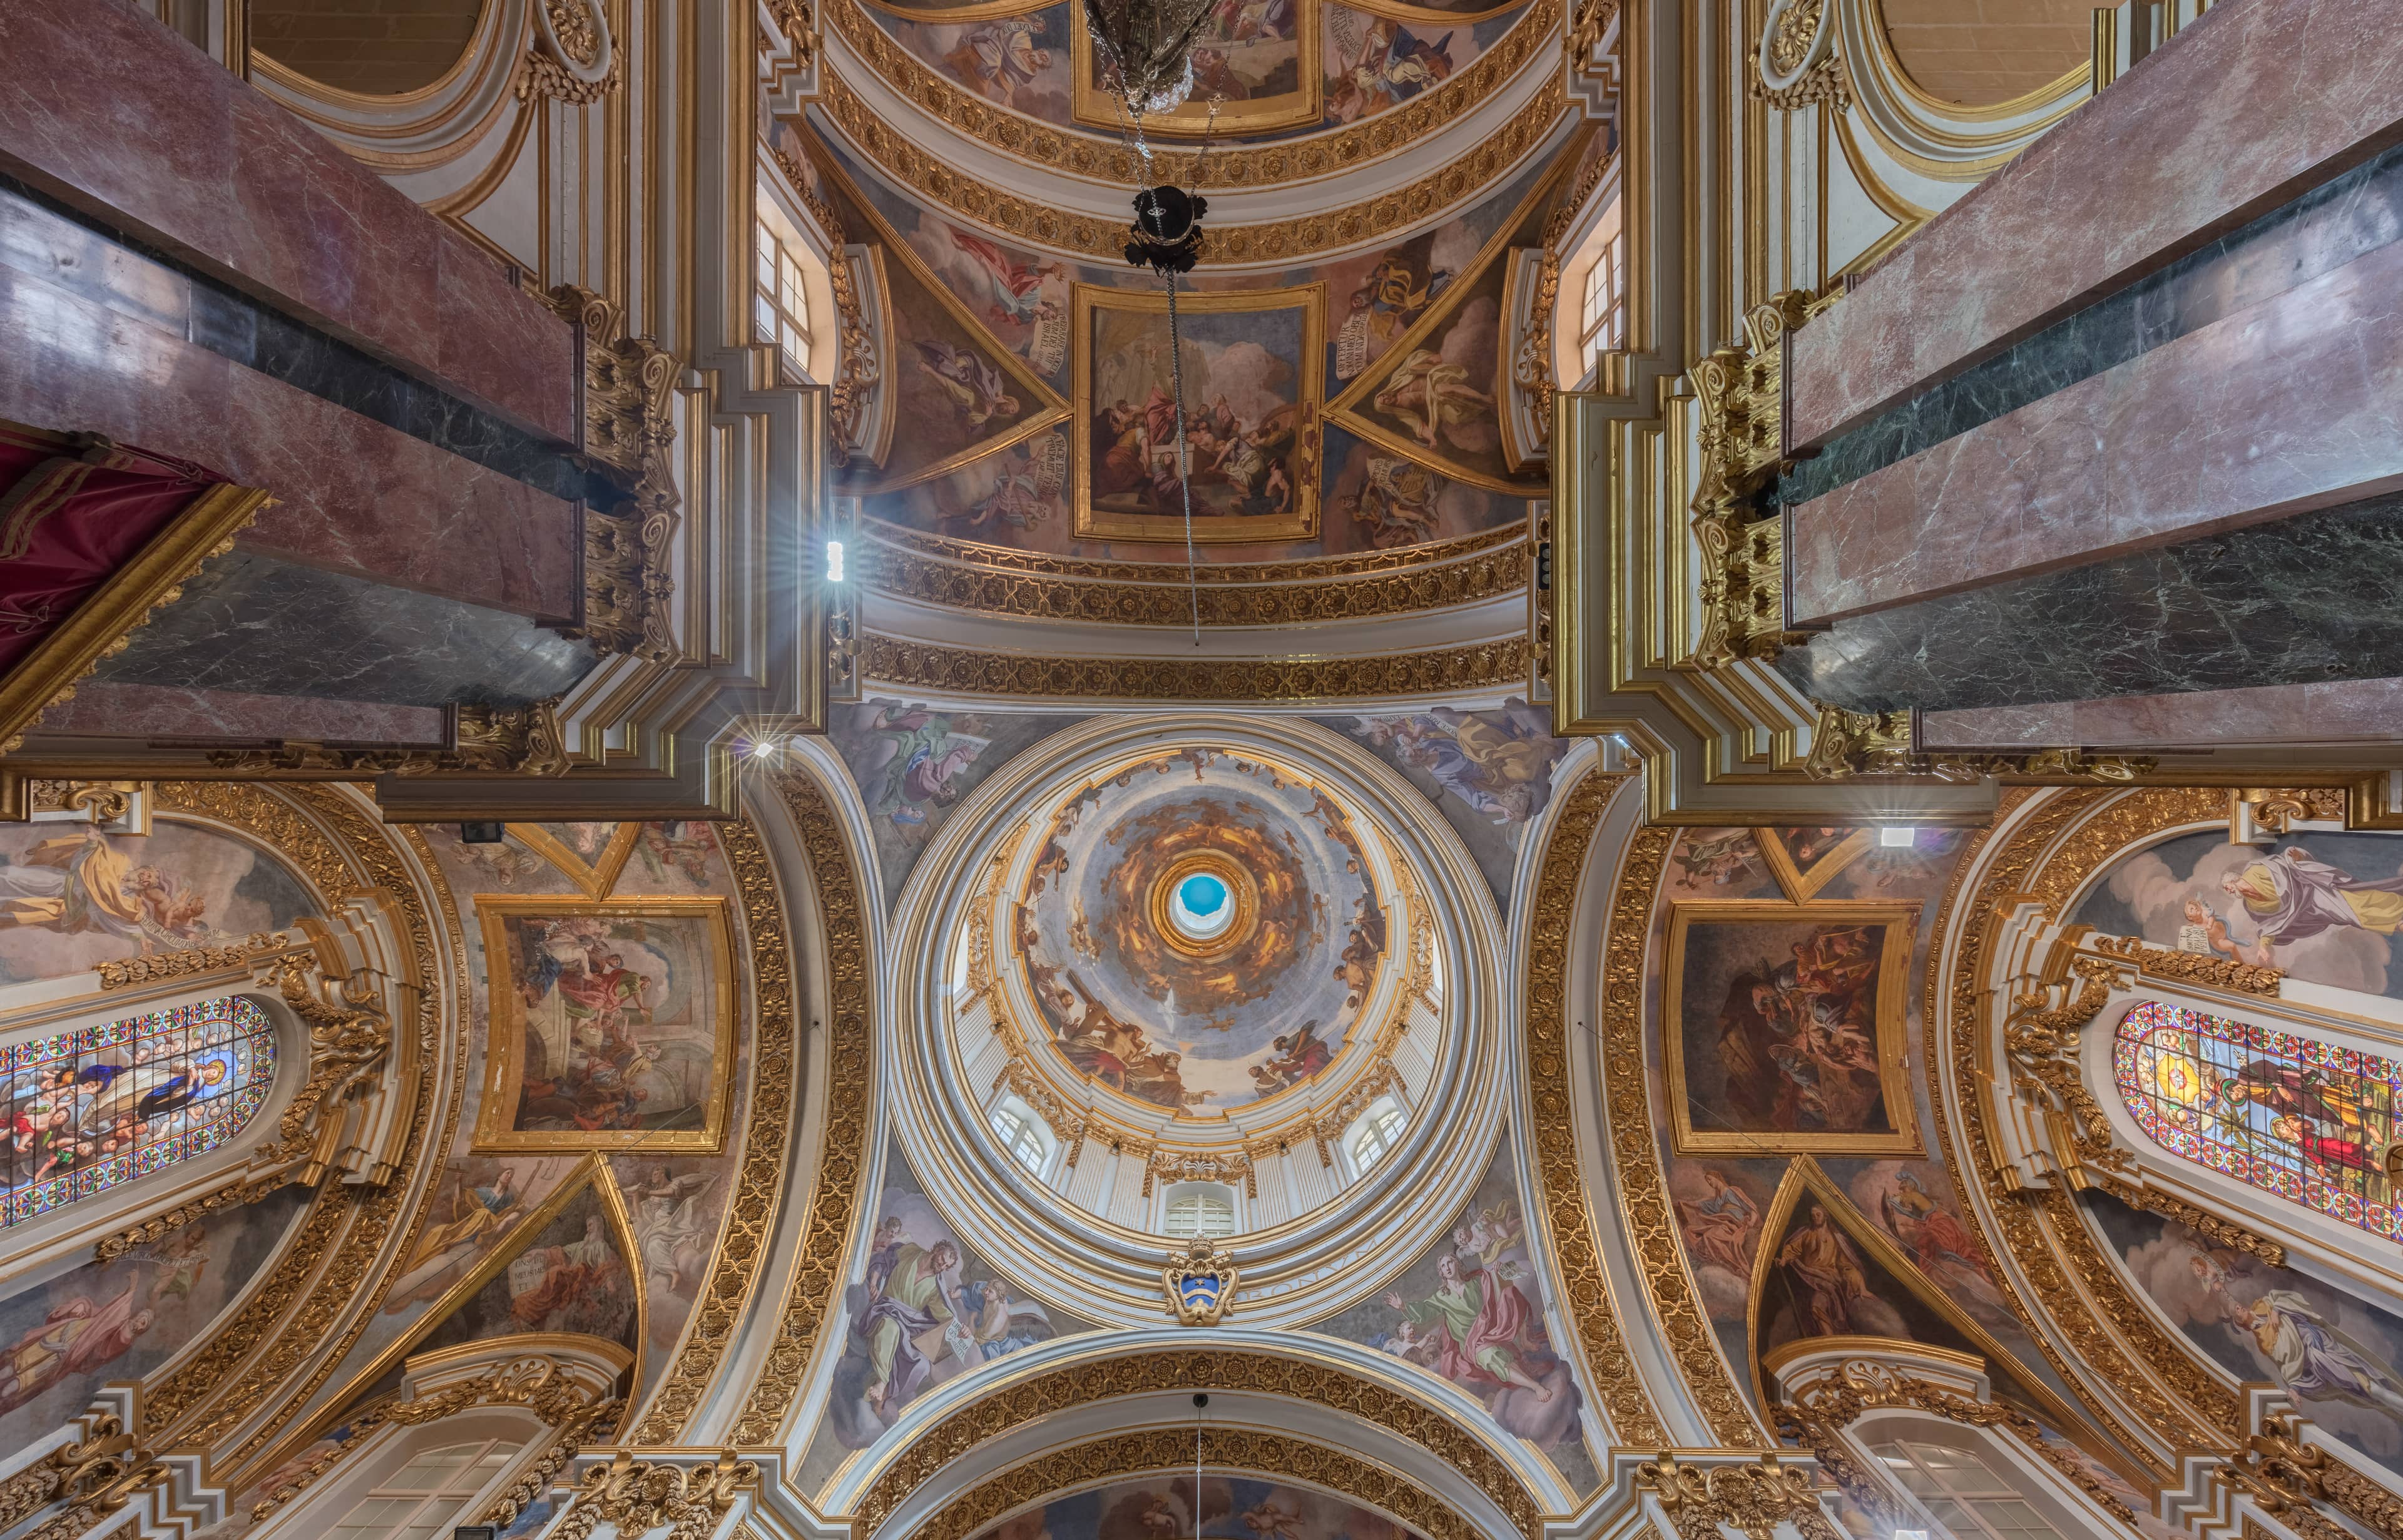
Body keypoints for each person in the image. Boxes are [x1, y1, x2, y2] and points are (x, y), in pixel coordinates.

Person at [2219, 846, 2403, 964]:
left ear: (2234, 880)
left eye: (2227, 886)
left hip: (2314, 891)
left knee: (2356, 904)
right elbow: (2270, 924)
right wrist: (2264, 946)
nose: (2228, 891)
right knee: (2353, 917)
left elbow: (2285, 864)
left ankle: (2398, 912)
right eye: (2226, 890)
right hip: (2313, 912)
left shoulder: (2256, 870)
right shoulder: (2251, 906)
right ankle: (2396, 921)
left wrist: (2297, 858)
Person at [1775, 1205, 1872, 1337]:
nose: (1815, 1218)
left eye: (1818, 1215)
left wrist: (1861, 1286)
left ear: (1825, 1216)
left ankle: (1832, 1336)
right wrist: (1784, 1260)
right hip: (1809, 1276)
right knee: (1815, 1305)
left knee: (1820, 1302)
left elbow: (1846, 1265)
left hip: (1831, 1278)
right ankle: (1829, 1337)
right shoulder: (1806, 1233)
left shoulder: (1837, 1238)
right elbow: (1792, 1249)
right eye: (1813, 1215)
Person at [1676, 1171, 1758, 1275]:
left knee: (1710, 1235)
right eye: (1707, 1181)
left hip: (1734, 1223)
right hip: (1721, 1222)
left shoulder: (1733, 1191)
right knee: (1690, 1230)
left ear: (1717, 1177)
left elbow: (1752, 1208)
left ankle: (1731, 1264)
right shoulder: (1716, 1201)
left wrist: (1751, 1222)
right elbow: (1699, 1205)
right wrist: (1684, 1203)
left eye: (1710, 1179)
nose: (1709, 1183)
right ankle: (1714, 1260)